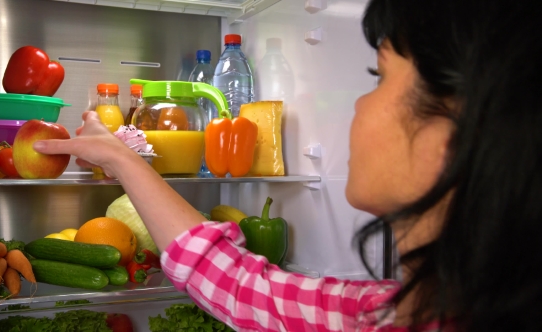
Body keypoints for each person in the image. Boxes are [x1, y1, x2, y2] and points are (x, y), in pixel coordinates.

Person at [32, 0, 542, 330]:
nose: (358, 103)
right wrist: (122, 157)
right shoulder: (380, 313)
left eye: (379, 76)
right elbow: (237, 284)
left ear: (454, 135)